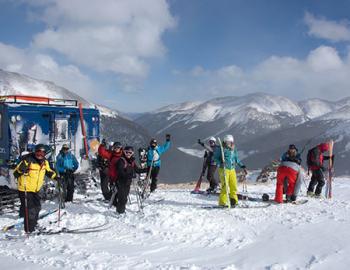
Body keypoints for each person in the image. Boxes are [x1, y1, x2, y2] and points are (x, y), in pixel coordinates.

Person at [13, 144, 56, 233]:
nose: (39, 155)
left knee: (37, 207)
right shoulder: (27, 160)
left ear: (44, 154)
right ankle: (29, 229)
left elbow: (49, 172)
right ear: (35, 152)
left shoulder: (45, 162)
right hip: (25, 189)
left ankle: (34, 225)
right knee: (30, 209)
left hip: (35, 190)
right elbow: (15, 173)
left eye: (42, 153)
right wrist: (22, 169)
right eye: (38, 152)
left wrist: (56, 177)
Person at [214, 134, 246, 207]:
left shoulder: (233, 149)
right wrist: (220, 162)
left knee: (233, 186)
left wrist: (241, 165)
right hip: (224, 169)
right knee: (225, 186)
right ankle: (222, 202)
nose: (228, 143)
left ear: (232, 142)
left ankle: (234, 201)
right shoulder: (221, 149)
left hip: (232, 169)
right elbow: (215, 158)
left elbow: (236, 158)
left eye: (230, 142)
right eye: (227, 142)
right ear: (225, 142)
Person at [115, 146, 148, 214]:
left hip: (127, 182)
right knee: (122, 198)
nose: (128, 154)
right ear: (124, 152)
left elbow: (137, 170)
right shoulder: (121, 161)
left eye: (130, 152)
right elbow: (120, 172)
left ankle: (120, 210)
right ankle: (120, 212)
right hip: (121, 182)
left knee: (124, 198)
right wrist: (130, 175)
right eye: (127, 152)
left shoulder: (132, 161)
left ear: (132, 153)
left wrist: (147, 169)